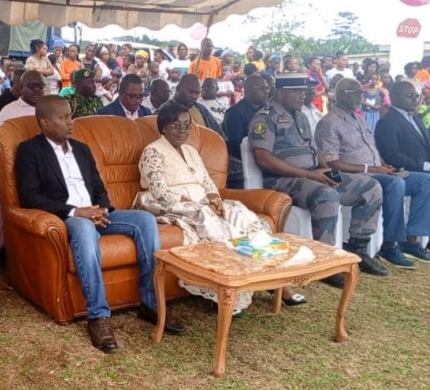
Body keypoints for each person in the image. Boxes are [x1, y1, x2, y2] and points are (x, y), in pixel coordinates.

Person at [15, 95, 183, 354]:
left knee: (145, 220)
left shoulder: (81, 149)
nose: (71, 122)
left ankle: (150, 304)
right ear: (45, 122)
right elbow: (30, 197)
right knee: (84, 228)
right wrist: (77, 211)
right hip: (69, 217)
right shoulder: (30, 151)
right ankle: (98, 316)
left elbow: (99, 187)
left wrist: (102, 208)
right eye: (63, 118)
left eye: (70, 116)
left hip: (98, 212)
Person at [249, 74, 383, 287]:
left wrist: (327, 169)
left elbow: (313, 150)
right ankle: (324, 261)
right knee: (327, 195)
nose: (303, 95)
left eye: (304, 91)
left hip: (314, 173)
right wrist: (311, 175)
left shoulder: (300, 116)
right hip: (283, 180)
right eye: (297, 91)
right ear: (280, 93)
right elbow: (262, 158)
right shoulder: (265, 117)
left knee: (370, 186)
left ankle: (358, 247)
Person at [134, 104, 265, 315]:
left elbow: (206, 180)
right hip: (166, 202)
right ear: (163, 127)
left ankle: (253, 273)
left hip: (200, 199)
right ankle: (221, 285)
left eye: (187, 125)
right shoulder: (153, 151)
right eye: (176, 125)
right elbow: (159, 191)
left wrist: (214, 198)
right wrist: (193, 201)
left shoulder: (191, 151)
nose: (182, 130)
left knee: (238, 212)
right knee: (205, 217)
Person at [316, 78, 430, 270]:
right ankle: (389, 245)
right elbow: (330, 162)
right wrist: (370, 169)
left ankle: (412, 240)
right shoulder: (329, 122)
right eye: (356, 93)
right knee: (395, 184)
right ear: (341, 95)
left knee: (425, 181)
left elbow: (372, 150)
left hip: (378, 172)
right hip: (353, 176)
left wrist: (384, 165)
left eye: (361, 93)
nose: (361, 97)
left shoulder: (358, 118)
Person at [222, 75, 270, 188]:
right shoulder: (234, 113)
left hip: (268, 156)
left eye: (267, 88)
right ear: (247, 90)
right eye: (261, 88)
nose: (266, 92)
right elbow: (239, 145)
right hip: (249, 161)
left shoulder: (267, 109)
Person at [374, 81, 430, 173]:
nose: (414, 100)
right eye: (409, 96)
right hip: (412, 172)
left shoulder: (414, 117)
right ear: (394, 97)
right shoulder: (387, 122)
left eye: (416, 96)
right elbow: (392, 156)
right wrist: (425, 165)